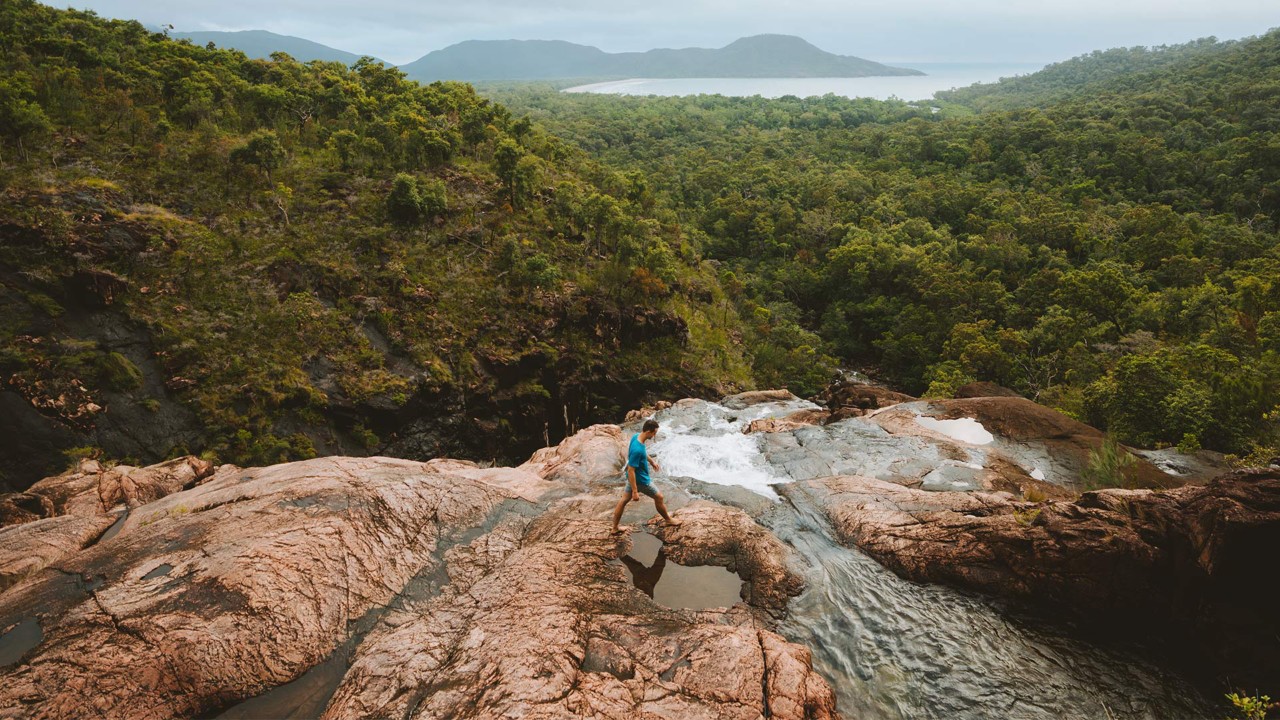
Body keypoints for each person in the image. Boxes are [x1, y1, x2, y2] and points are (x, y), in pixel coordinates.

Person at [611, 419, 681, 533]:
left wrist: (652, 462)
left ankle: (614, 528)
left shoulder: (636, 437)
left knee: (623, 501)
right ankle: (669, 520)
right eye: (654, 433)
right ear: (648, 431)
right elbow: (631, 470)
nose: (654, 436)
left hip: (632, 478)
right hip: (640, 480)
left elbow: (643, 453)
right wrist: (635, 491)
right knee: (659, 497)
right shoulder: (637, 450)